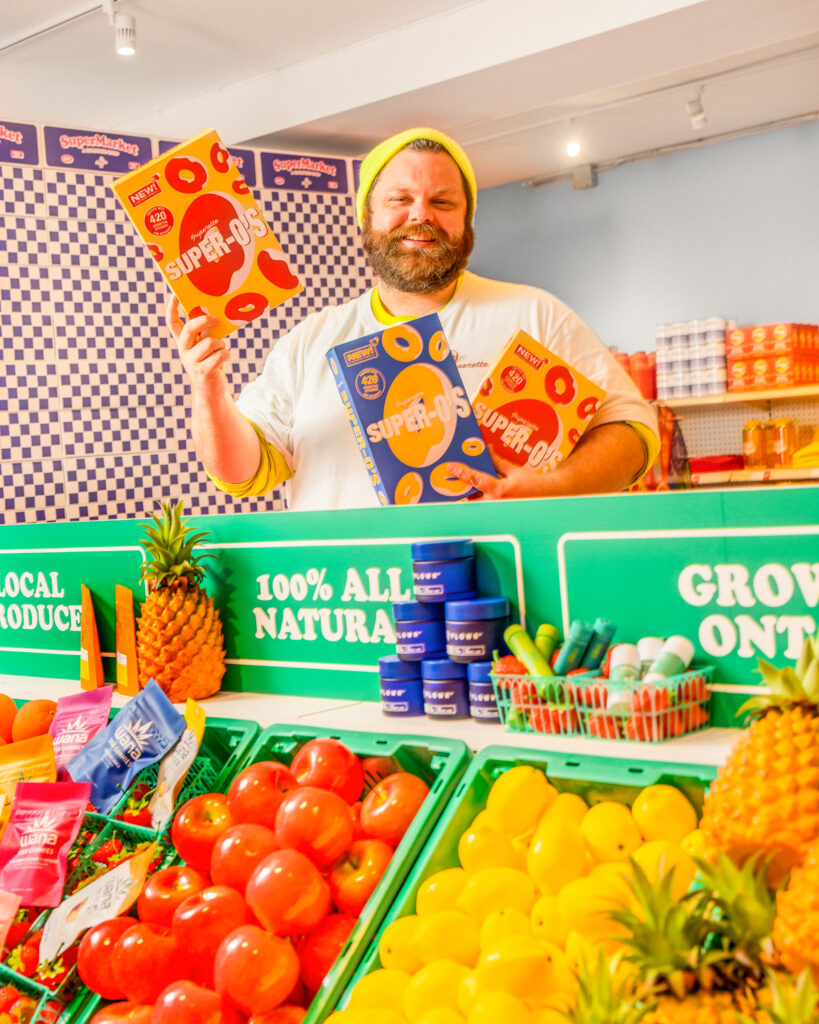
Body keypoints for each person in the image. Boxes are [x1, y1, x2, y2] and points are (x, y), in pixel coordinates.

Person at [167, 127, 658, 511]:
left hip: (491, 603)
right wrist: (207, 386)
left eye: (442, 202)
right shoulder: (308, 342)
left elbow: (634, 434)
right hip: (350, 607)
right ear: (367, 218)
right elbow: (241, 473)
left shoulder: (534, 315)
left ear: (466, 223)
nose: (420, 215)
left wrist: (554, 487)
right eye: (399, 200)